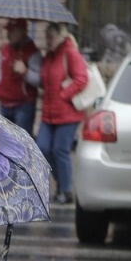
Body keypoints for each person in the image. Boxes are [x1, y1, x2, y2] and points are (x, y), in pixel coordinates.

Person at [36, 22, 88, 205]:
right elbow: (45, 81)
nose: (47, 41)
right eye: (46, 37)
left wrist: (63, 95)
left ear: (60, 36)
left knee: (60, 150)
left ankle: (66, 191)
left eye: (50, 37)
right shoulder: (49, 56)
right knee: (42, 148)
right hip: (49, 113)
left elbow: (82, 78)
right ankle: (61, 183)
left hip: (68, 113)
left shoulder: (70, 52)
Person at [0, 18, 42, 137]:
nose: (8, 34)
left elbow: (40, 80)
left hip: (23, 107)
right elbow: (0, 71)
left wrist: (25, 71)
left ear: (22, 31)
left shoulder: (32, 52)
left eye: (12, 31)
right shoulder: (5, 49)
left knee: (21, 144)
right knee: (4, 142)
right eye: (8, 31)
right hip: (4, 104)